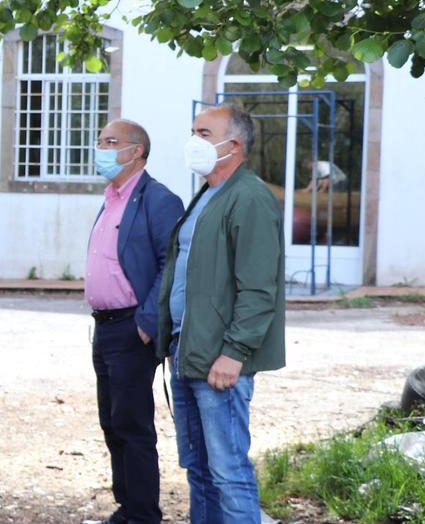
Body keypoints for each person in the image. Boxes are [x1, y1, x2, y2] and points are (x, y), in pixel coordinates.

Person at [157, 103, 286, 523]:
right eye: (193, 131)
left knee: (229, 473)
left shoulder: (249, 198)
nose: (193, 142)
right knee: (199, 469)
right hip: (188, 352)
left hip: (220, 360)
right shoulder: (208, 194)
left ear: (234, 144)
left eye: (204, 134)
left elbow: (258, 288)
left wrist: (234, 352)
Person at [85, 119, 183, 524]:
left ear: (136, 151)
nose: (101, 148)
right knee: (112, 421)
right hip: (104, 326)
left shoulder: (158, 199)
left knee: (132, 425)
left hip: (131, 327)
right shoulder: (112, 197)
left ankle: (143, 515)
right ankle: (127, 507)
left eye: (111, 142)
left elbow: (172, 264)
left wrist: (147, 321)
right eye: (100, 140)